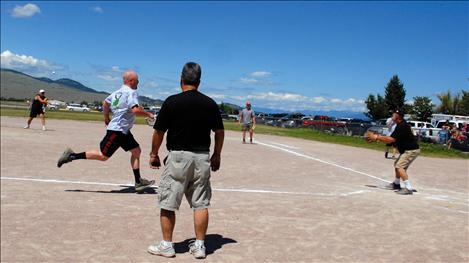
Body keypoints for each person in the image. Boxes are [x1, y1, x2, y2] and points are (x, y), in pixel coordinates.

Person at [147, 62, 224, 259]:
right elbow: (219, 131)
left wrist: (154, 154)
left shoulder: (172, 102)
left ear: (181, 79)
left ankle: (167, 245)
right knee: (200, 203)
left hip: (178, 158)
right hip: (202, 157)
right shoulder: (210, 103)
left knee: (168, 202)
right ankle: (199, 246)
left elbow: (159, 131)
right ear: (199, 81)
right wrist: (217, 155)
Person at [56, 70, 155, 193]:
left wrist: (106, 117)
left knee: (136, 151)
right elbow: (135, 110)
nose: (138, 83)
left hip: (123, 130)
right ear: (131, 81)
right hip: (117, 131)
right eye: (137, 81)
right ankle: (71, 156)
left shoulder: (116, 93)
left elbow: (105, 103)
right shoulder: (131, 92)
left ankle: (138, 182)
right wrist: (149, 114)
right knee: (103, 156)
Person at [366, 109, 420, 195]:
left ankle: (408, 188)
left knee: (399, 166)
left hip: (411, 150)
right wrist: (378, 138)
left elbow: (391, 139)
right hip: (407, 150)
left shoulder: (402, 126)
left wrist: (377, 137)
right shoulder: (399, 125)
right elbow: (391, 140)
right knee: (397, 164)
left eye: (394, 114)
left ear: (398, 116)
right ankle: (396, 184)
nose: (392, 115)